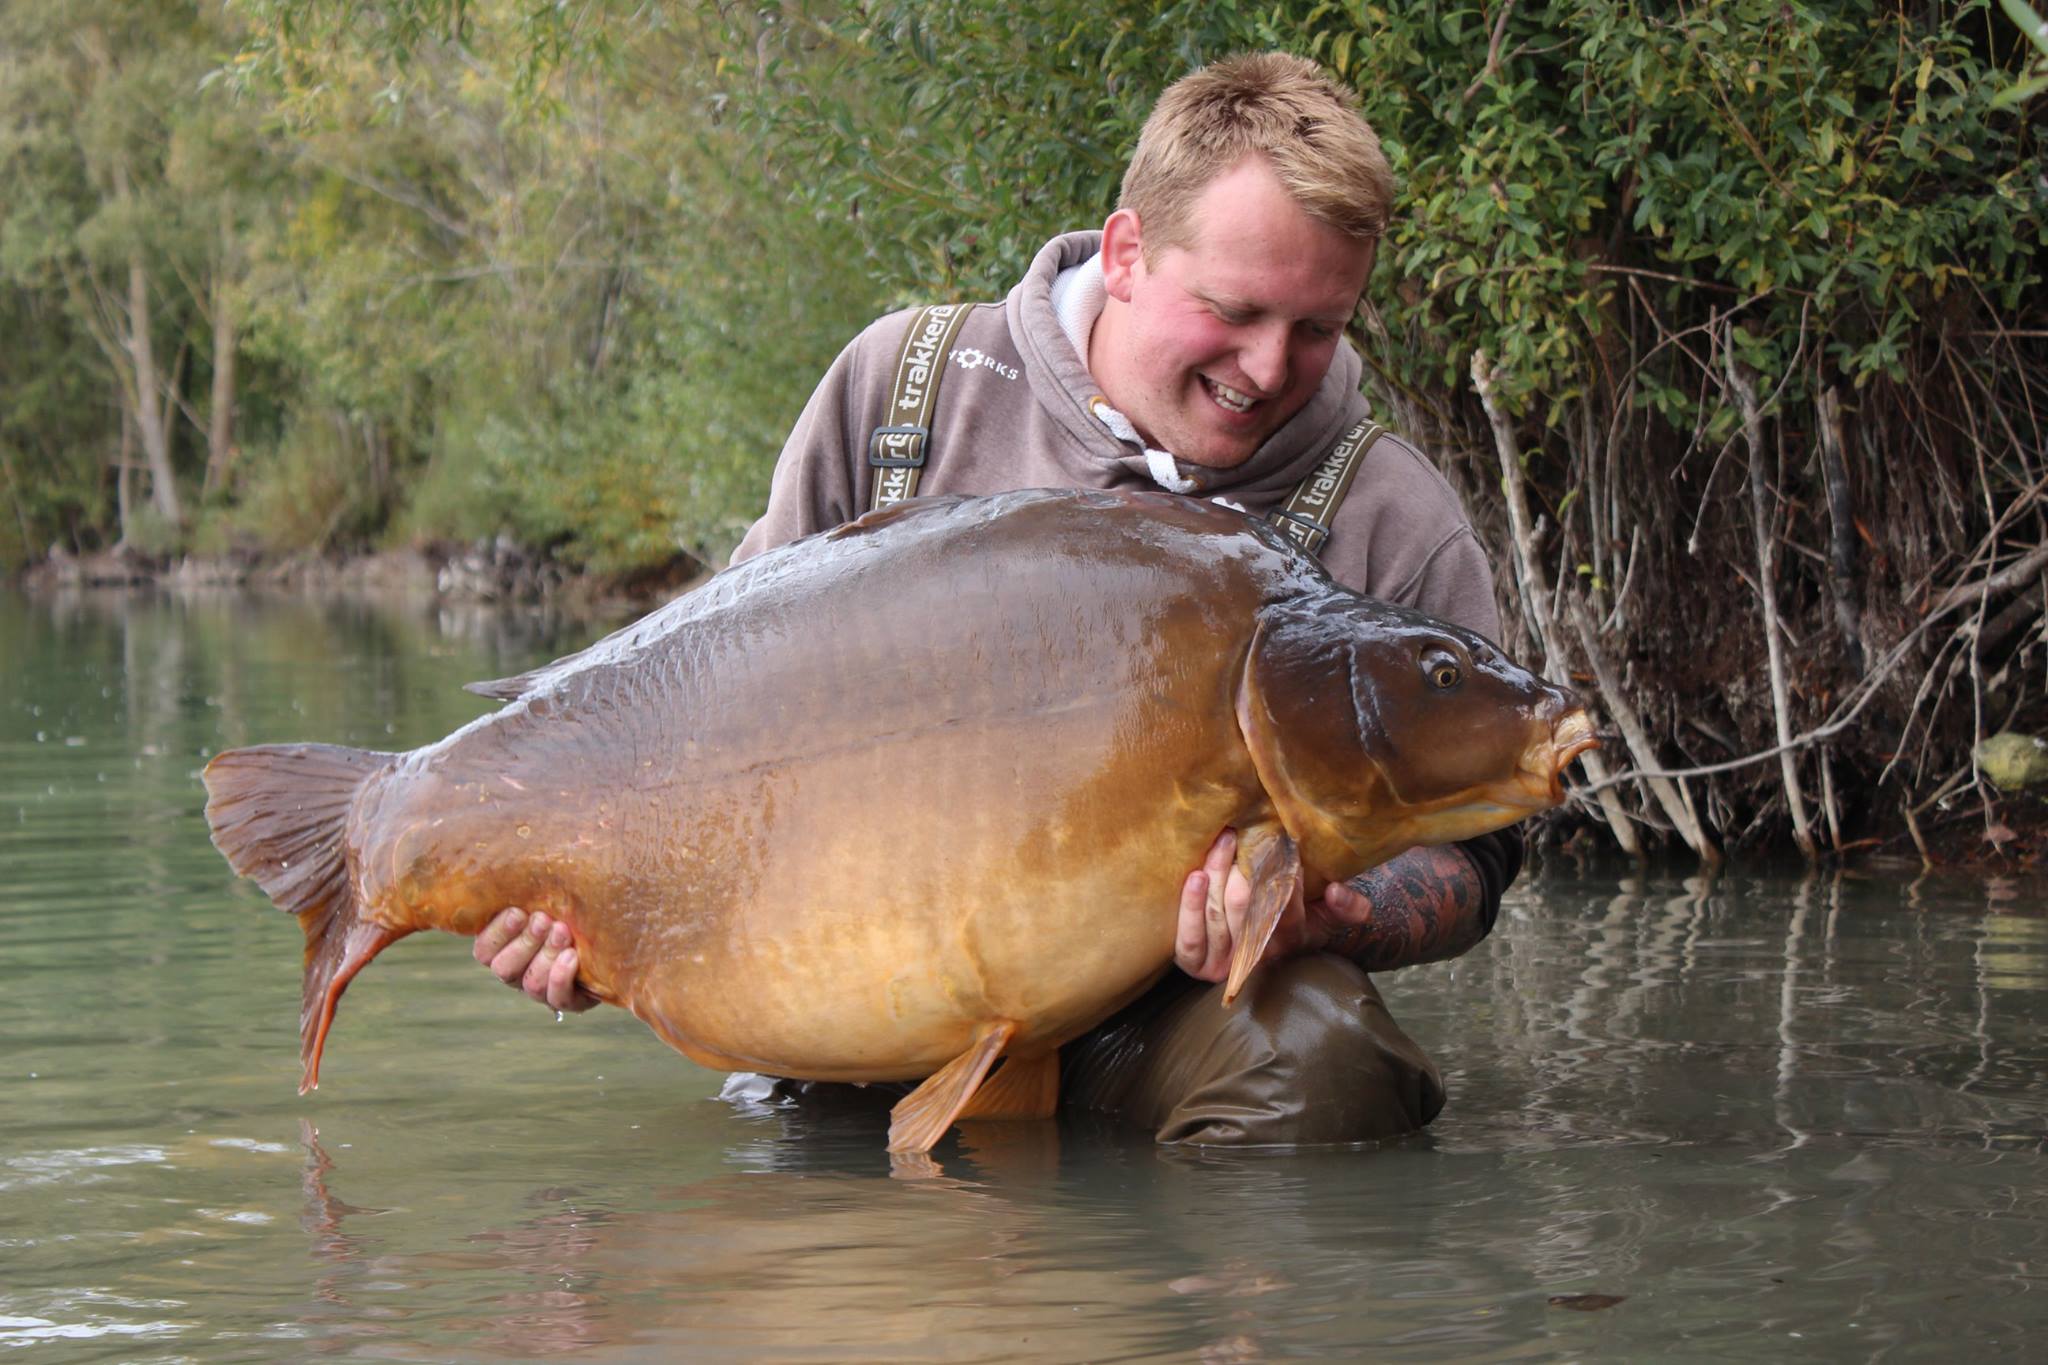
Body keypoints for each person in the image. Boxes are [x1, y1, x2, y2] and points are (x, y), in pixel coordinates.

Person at [472, 52, 1522, 1144]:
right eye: (1233, 309)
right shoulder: (902, 391)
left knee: (1326, 1058)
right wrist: (585, 910)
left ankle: (1200, 1310)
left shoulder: (1384, 512)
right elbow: (708, 705)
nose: (1266, 367)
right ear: (1125, 254)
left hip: (1150, 1023)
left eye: (1317, 328)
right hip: (836, 983)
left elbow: (1480, 851)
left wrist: (1343, 917)